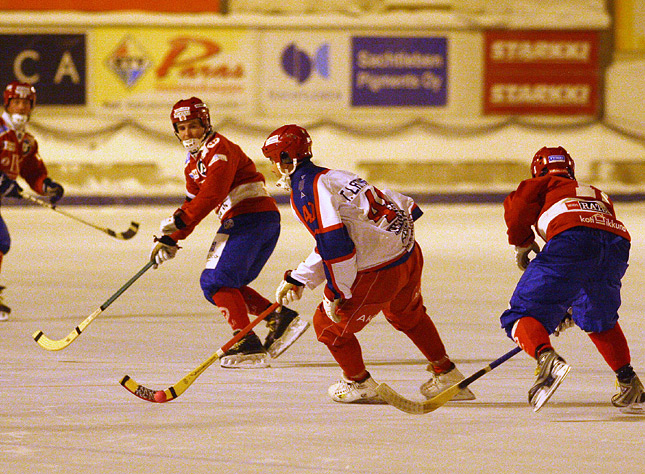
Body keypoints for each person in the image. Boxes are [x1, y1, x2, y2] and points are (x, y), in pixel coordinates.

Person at [262, 124, 475, 404]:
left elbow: (337, 245)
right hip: (407, 252)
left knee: (327, 326)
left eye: (273, 162)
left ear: (286, 159)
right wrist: (302, 277)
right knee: (408, 314)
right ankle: (447, 374)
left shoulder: (305, 191)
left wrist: (336, 293)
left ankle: (359, 383)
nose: (273, 169)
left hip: (381, 268)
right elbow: (347, 232)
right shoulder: (332, 175)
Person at [149, 98, 309, 368]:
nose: (188, 133)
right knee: (221, 285)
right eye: (182, 128)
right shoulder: (191, 163)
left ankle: (246, 342)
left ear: (206, 124)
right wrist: (170, 239)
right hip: (248, 221)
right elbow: (192, 203)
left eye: (193, 126)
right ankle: (278, 319)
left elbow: (212, 193)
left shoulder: (219, 149)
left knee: (215, 280)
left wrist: (180, 221)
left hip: (250, 220)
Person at [501, 146, 644, 413]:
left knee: (519, 315)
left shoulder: (540, 183)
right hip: (616, 243)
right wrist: (566, 306)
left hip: (572, 239)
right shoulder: (595, 192)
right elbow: (592, 247)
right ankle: (630, 384)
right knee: (598, 318)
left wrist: (522, 243)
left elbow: (517, 209)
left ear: (537, 170)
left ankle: (546, 359)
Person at [0, 81, 64, 321]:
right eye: (16, 103)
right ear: (7, 104)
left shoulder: (26, 141)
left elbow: (33, 172)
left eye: (26, 104)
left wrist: (47, 186)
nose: (21, 109)